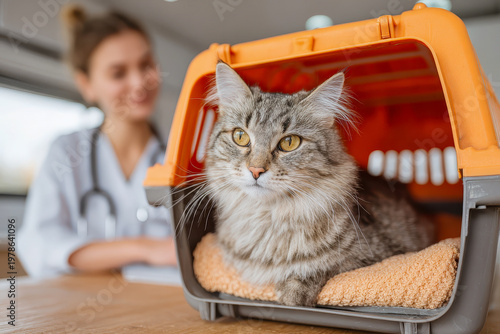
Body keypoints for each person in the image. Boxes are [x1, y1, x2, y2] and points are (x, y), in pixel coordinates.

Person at [17, 5, 177, 277]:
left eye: (146, 65)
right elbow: (39, 245)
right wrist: (145, 248)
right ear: (87, 85)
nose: (139, 82)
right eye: (118, 73)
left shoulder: (184, 151)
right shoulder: (67, 153)